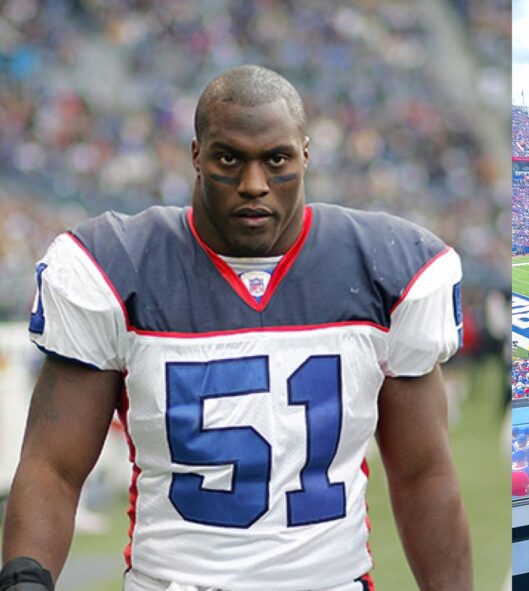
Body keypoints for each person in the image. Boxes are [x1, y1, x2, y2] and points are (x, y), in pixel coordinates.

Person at [0, 66, 471, 591]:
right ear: (196, 154)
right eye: (229, 158)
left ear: (305, 155)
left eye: (276, 160)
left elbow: (422, 474)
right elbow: (53, 469)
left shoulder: (383, 267)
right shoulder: (123, 267)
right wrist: (26, 580)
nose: (254, 185)